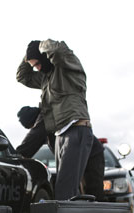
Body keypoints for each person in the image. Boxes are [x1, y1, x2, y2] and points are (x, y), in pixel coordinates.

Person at [16, 39, 94, 200]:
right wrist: (29, 55)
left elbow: (57, 51)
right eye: (33, 66)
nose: (36, 68)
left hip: (76, 129)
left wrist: (40, 45)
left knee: (65, 191)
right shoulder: (46, 77)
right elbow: (22, 76)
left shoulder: (67, 66)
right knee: (66, 191)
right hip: (60, 135)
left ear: (44, 57)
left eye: (37, 63)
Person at [15, 106, 105, 200]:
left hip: (92, 154)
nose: (32, 128)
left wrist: (16, 155)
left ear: (33, 121)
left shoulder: (45, 118)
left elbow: (33, 138)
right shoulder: (47, 119)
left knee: (93, 191)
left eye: (31, 127)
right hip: (83, 153)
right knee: (79, 193)